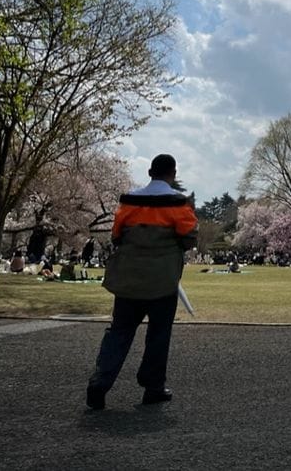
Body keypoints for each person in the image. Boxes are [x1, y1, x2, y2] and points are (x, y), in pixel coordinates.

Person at [86, 154, 198, 411]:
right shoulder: (178, 204)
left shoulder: (129, 203)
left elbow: (116, 236)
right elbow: (190, 238)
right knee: (158, 335)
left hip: (129, 278)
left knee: (120, 331)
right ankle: (153, 387)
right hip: (163, 279)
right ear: (173, 173)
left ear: (150, 172)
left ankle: (100, 382)